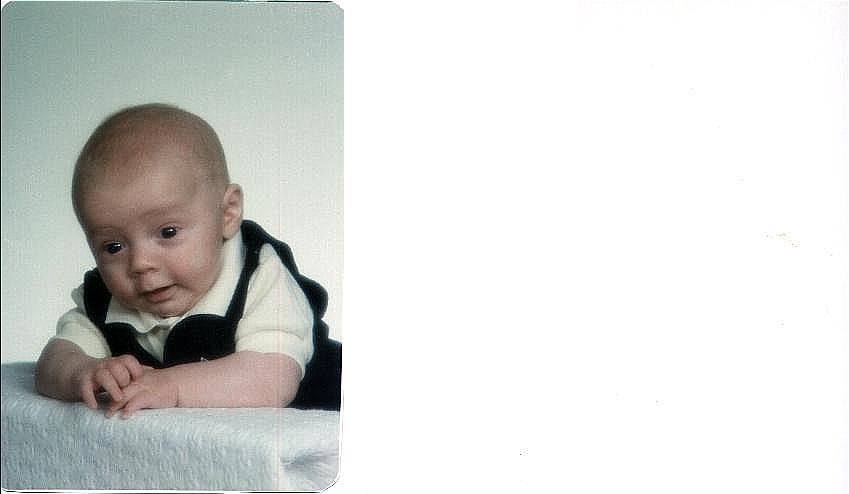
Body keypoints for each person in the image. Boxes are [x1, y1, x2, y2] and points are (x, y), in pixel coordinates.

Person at [34, 103, 341, 418]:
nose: (140, 263)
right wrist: (83, 371)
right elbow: (54, 359)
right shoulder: (104, 299)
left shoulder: (260, 275)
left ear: (227, 213)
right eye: (113, 247)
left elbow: (272, 378)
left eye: (167, 232)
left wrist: (173, 386)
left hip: (324, 413)